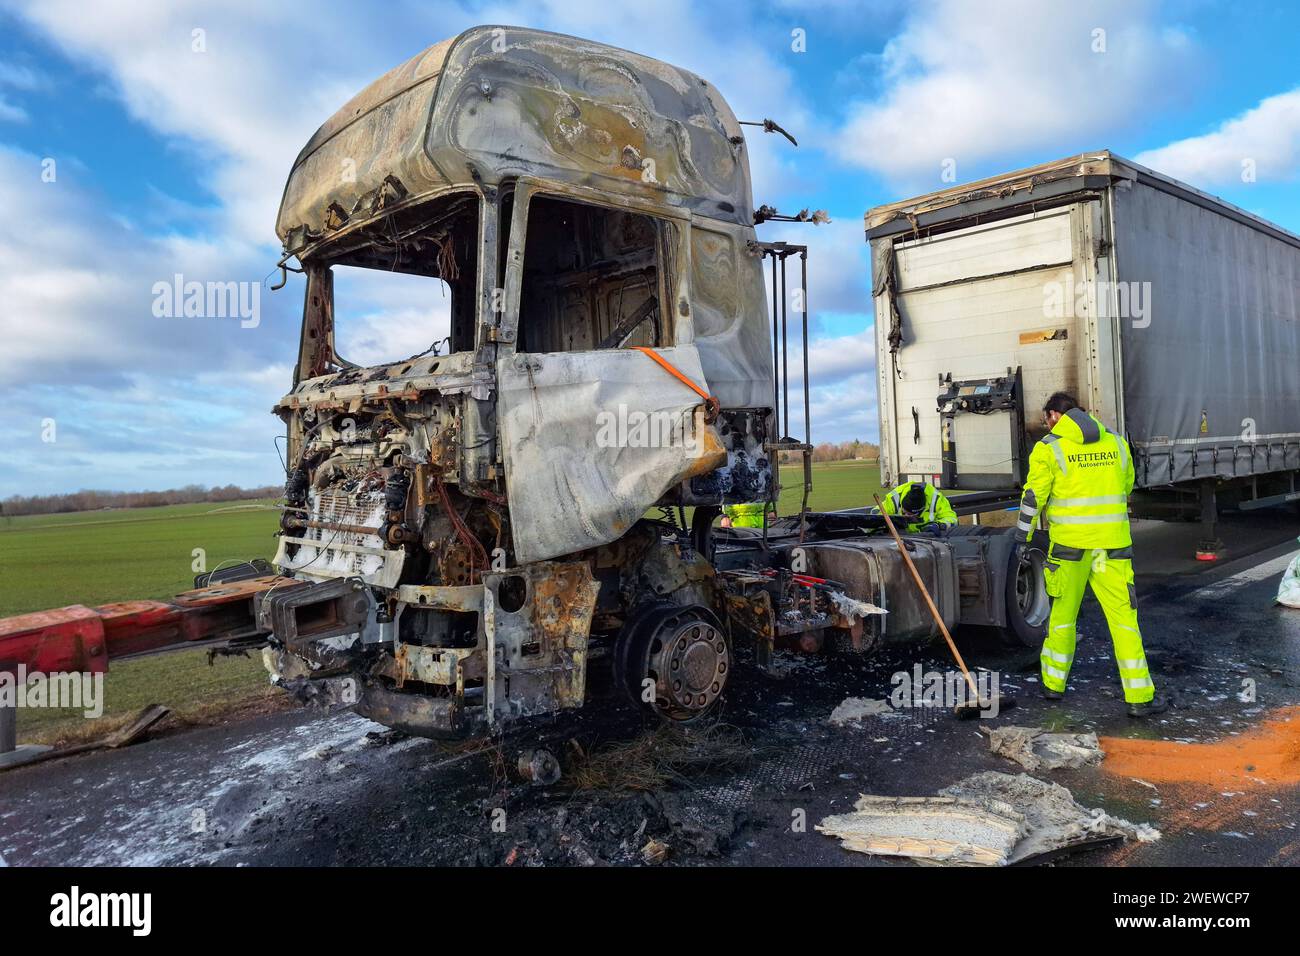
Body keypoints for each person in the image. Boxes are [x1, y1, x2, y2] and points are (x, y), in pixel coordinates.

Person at [1015, 391, 1167, 717]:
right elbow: (1127, 485)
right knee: (1124, 621)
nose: (1047, 424)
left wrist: (1021, 537)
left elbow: (1032, 498)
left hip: (1068, 550)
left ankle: (1053, 686)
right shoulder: (1115, 442)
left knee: (1062, 620)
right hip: (1112, 548)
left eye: (1047, 418)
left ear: (1056, 415)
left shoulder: (1049, 449)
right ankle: (1139, 697)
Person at [878, 481, 957, 534]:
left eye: (910, 515)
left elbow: (952, 519)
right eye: (904, 512)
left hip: (928, 538)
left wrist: (938, 525)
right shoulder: (894, 498)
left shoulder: (936, 499)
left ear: (921, 511)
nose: (906, 516)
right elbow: (876, 513)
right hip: (901, 538)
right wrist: (888, 524)